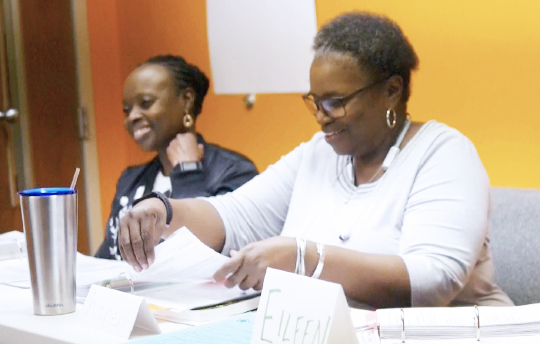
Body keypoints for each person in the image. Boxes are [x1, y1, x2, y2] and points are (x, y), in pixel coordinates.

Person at [116, 13, 513, 308]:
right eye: (314, 101)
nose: (321, 116)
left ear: (391, 91)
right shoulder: (319, 153)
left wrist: (303, 257)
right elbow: (234, 216)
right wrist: (164, 211)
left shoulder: (444, 154)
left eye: (335, 102)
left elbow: (432, 281)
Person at [95, 55, 258, 260]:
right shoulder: (130, 179)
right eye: (126, 110)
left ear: (187, 100)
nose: (132, 117)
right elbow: (107, 259)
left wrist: (188, 173)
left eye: (145, 103)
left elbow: (201, 259)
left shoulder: (234, 172)